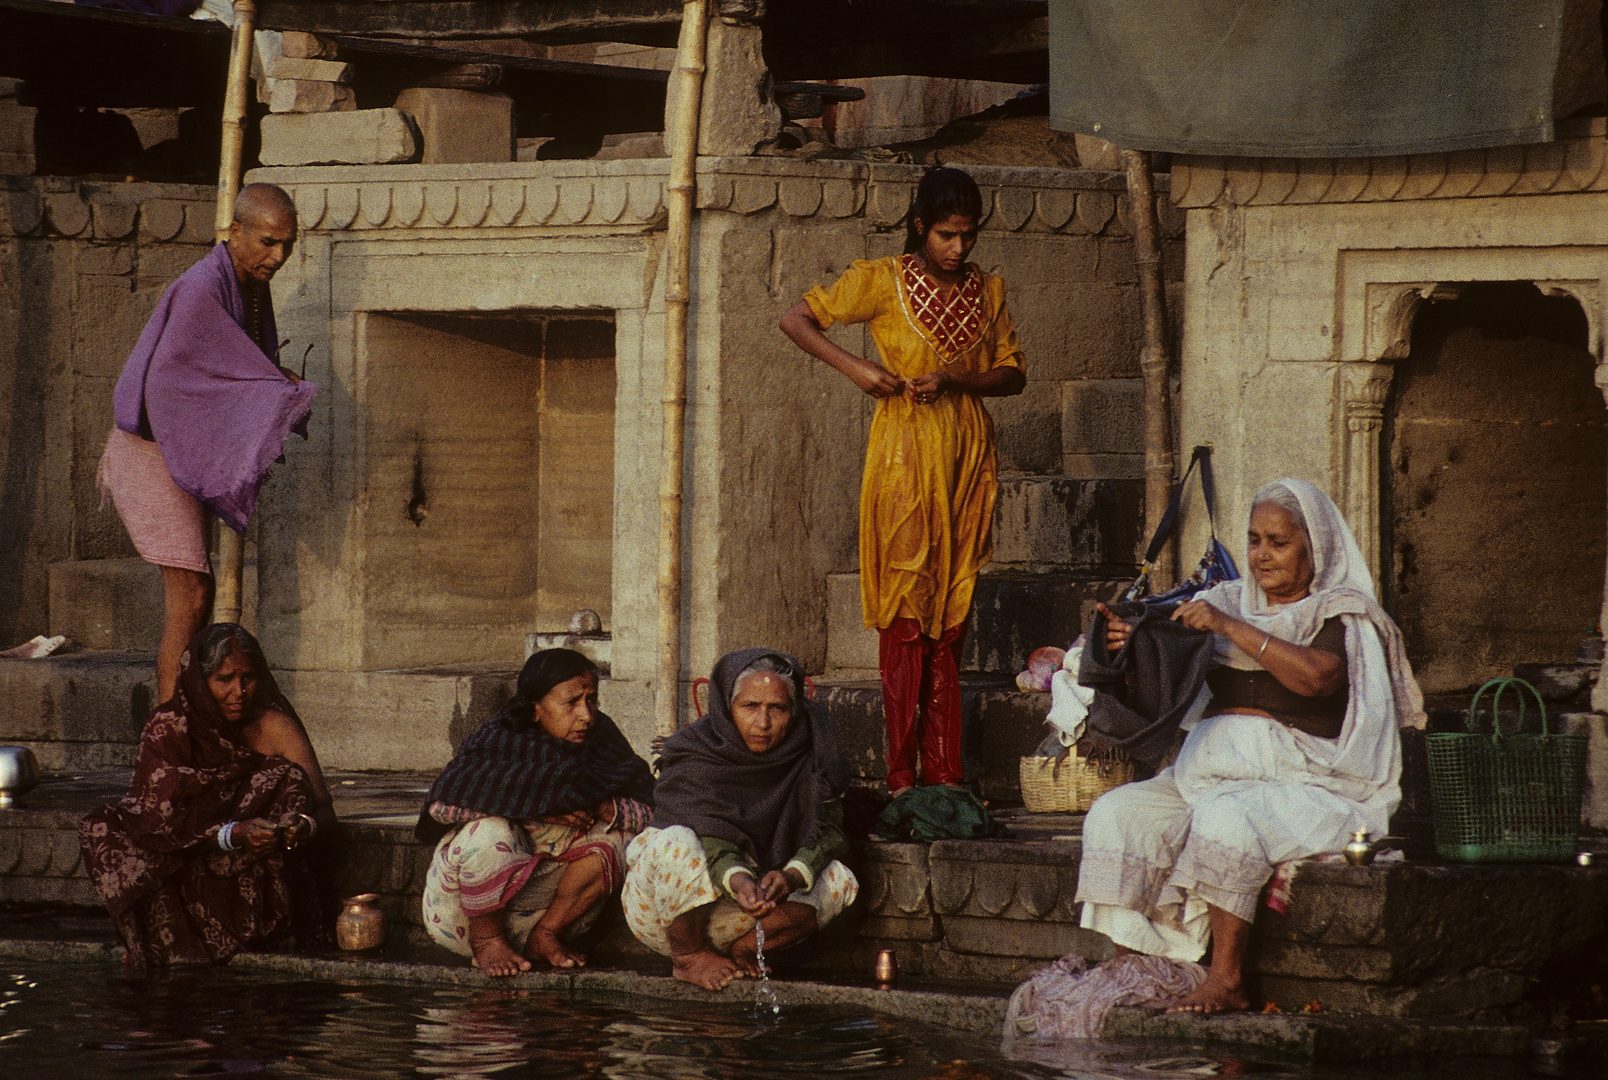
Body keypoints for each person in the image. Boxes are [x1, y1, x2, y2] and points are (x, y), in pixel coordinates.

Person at [1075, 479, 1426, 1013]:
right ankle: (1143, 965)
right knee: (1117, 813)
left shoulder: (1341, 613)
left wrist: (1231, 628)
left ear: (1315, 549)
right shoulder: (1221, 600)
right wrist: (1129, 643)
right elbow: (1160, 665)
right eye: (1254, 539)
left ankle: (1227, 979)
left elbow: (1318, 679)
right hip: (1205, 776)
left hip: (1312, 784)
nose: (1261, 555)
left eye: (1278, 543)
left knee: (1227, 820)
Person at [779, 167, 1026, 796]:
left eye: (967, 236)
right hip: (904, 451)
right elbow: (797, 320)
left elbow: (1012, 374)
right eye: (947, 234)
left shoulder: (988, 289)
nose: (958, 248)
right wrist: (857, 367)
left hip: (967, 452)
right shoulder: (881, 280)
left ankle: (945, 774)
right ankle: (899, 773)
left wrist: (955, 379)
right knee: (907, 607)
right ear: (921, 226)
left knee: (954, 609)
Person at [99, 183, 316, 703]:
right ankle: (169, 727)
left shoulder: (247, 285)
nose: (278, 256)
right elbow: (171, 384)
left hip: (174, 449)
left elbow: (228, 368)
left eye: (287, 244)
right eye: (267, 242)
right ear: (234, 232)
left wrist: (265, 379)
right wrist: (268, 387)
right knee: (192, 594)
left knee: (201, 593)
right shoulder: (202, 287)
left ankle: (187, 715)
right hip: (151, 448)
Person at [80, 622, 335, 966]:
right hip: (184, 858)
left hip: (247, 872)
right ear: (201, 682)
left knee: (286, 778)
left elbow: (323, 809)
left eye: (248, 677)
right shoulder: (168, 728)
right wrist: (230, 835)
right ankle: (163, 944)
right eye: (224, 679)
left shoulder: (275, 727)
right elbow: (154, 819)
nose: (239, 691)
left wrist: (302, 826)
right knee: (101, 829)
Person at [622, 648, 859, 991]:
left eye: (776, 708)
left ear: (794, 712)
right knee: (677, 840)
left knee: (841, 880)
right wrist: (737, 879)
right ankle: (688, 957)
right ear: (726, 707)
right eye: (749, 707)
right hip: (667, 915)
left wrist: (791, 875)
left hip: (745, 918)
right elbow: (708, 833)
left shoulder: (814, 751)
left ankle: (744, 950)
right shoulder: (697, 753)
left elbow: (831, 831)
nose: (762, 723)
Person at [417, 649, 654, 975]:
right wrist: (536, 808)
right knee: (489, 832)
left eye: (592, 699)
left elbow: (651, 809)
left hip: (544, 911)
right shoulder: (500, 739)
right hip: (465, 918)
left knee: (621, 838)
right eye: (571, 702)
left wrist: (603, 806)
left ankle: (546, 936)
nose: (586, 714)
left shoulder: (600, 736)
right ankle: (488, 943)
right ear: (534, 709)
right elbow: (441, 807)